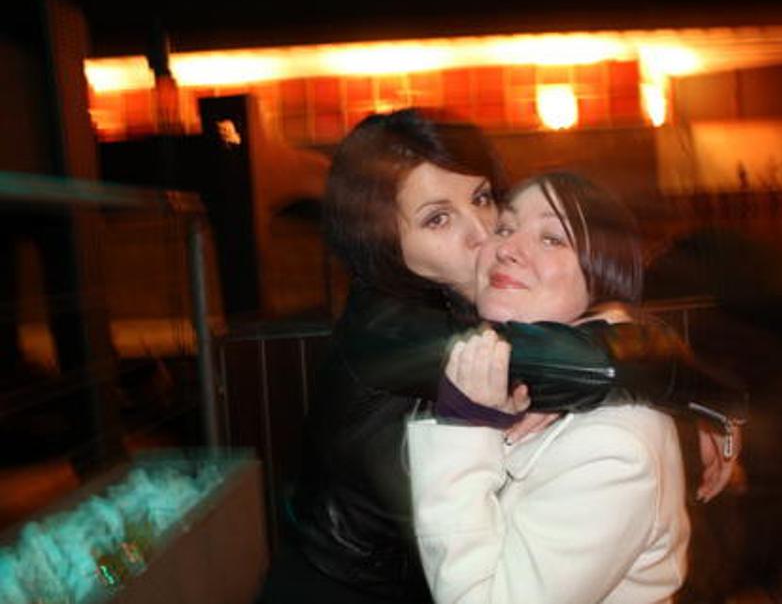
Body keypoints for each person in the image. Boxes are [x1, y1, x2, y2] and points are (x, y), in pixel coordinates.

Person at [260, 109, 743, 603]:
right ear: (386, 243)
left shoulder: (470, 303)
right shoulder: (394, 331)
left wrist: (683, 393)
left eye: (482, 199)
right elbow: (592, 364)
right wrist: (696, 390)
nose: (481, 233)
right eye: (438, 219)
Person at [408, 172, 688, 603]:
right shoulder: (512, 378)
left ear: (603, 275)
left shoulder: (612, 448)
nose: (507, 248)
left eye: (552, 239)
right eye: (505, 228)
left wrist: (466, 427)